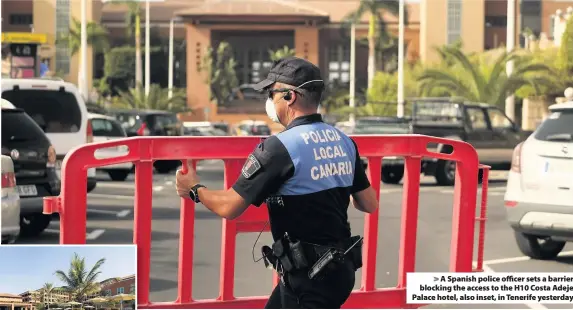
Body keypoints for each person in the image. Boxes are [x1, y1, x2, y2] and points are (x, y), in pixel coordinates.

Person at [175, 56, 379, 308]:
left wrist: (194, 188)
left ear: (290, 97)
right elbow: (368, 203)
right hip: (334, 271)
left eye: (272, 94)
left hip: (311, 279)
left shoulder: (280, 148)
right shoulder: (343, 141)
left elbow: (229, 206)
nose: (269, 101)